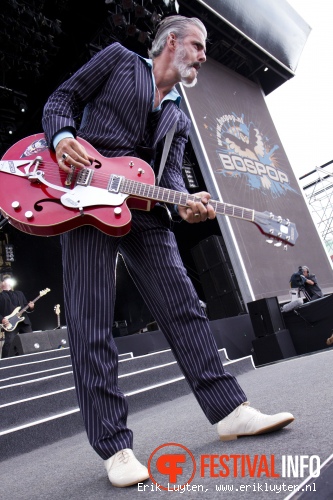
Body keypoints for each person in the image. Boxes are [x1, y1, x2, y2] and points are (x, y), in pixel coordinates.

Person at [42, 15, 294, 488]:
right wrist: (64, 138)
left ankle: (230, 410)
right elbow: (62, 100)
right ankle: (115, 448)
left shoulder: (179, 114)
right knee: (90, 320)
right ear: (172, 42)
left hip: (146, 211)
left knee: (185, 306)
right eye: (198, 46)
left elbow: (170, 179)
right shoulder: (118, 60)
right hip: (87, 198)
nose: (203, 55)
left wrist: (188, 205)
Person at [0, 274, 34, 358]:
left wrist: (31, 307)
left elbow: (26, 307)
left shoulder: (19, 293)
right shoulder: (0, 296)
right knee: (9, 342)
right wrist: (2, 320)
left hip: (23, 321)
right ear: (2, 283)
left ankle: (31, 357)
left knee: (30, 339)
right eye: (6, 280)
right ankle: (5, 362)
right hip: (10, 323)